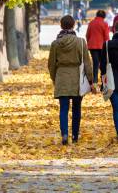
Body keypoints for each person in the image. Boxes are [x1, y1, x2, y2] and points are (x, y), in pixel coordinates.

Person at [48, 15, 95, 145]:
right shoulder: (80, 42)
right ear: (74, 25)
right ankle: (75, 135)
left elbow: (51, 64)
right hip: (77, 78)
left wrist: (54, 78)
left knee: (63, 108)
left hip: (62, 76)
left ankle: (64, 134)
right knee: (76, 108)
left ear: (61, 25)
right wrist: (90, 80)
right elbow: (87, 63)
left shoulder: (56, 44)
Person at [85, 10, 110, 83]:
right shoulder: (104, 24)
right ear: (104, 16)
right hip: (102, 46)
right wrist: (108, 46)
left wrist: (89, 42)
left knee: (95, 63)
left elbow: (87, 35)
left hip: (92, 46)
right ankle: (103, 82)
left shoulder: (91, 23)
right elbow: (106, 37)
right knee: (103, 64)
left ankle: (95, 81)